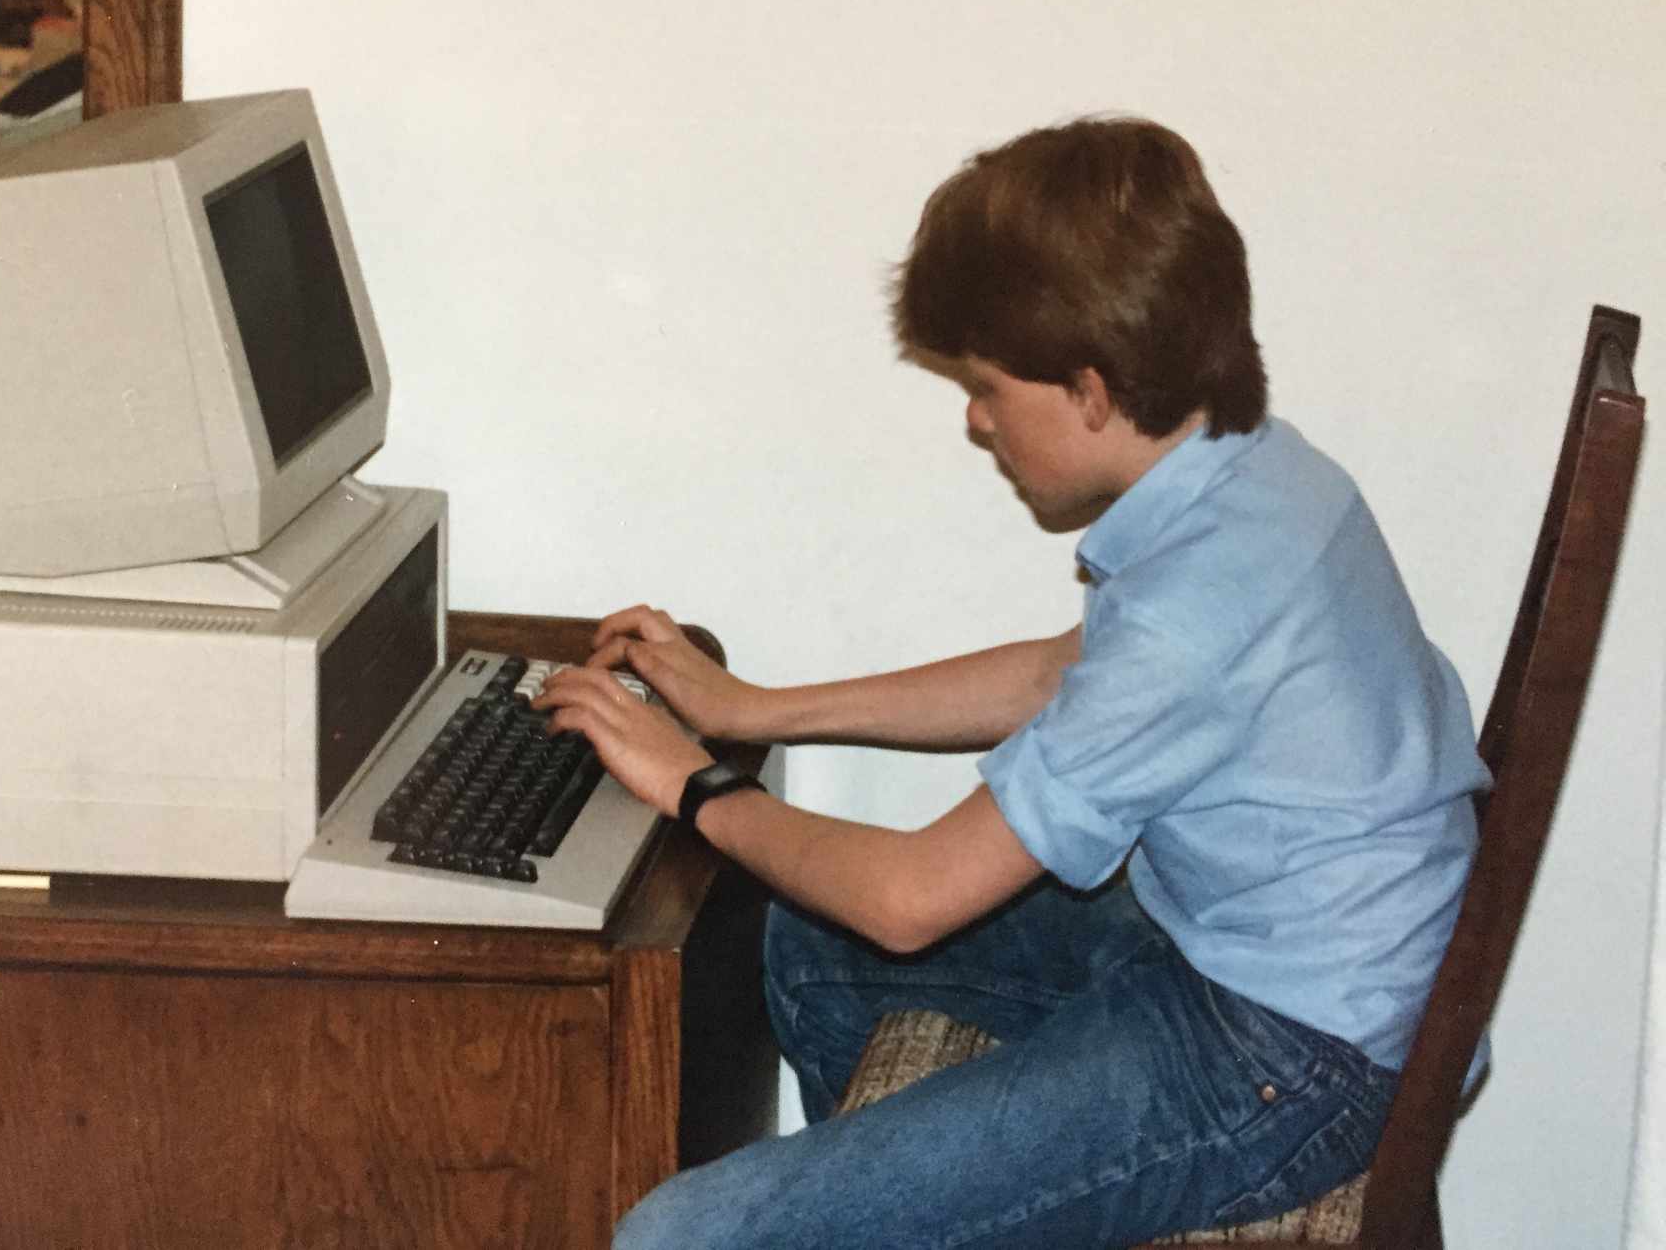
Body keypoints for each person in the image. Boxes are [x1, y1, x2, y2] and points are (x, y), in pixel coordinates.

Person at [534, 116, 1491, 1250]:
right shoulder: (1250, 472)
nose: (974, 420)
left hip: (1291, 1059)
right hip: (1289, 955)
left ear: (1089, 389)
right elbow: (1059, 675)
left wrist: (695, 786)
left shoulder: (1200, 611)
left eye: (988, 388)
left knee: (685, 1234)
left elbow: (907, 900)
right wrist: (757, 709)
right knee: (800, 942)